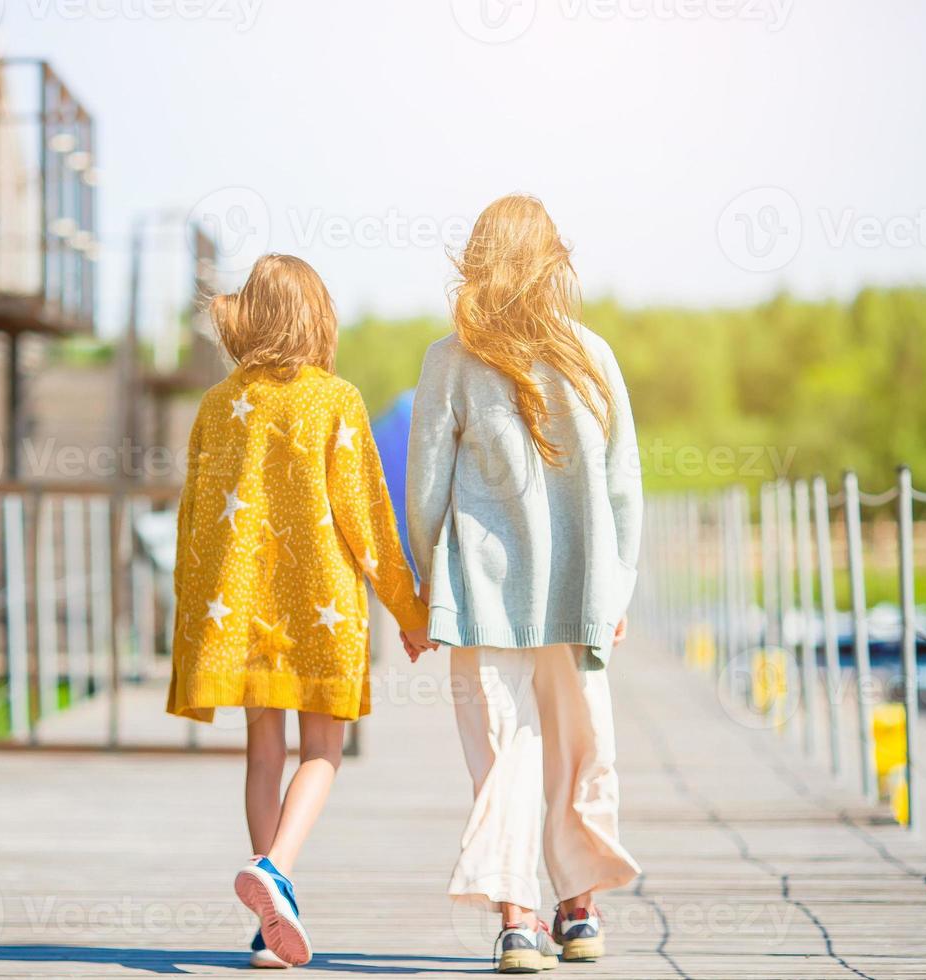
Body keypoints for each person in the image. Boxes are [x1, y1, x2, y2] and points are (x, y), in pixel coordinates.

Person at [166, 253, 430, 969]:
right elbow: (369, 520)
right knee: (323, 752)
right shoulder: (334, 401)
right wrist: (408, 610)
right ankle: (276, 869)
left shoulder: (219, 405)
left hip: (241, 611)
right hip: (321, 613)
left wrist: (192, 629)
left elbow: (195, 523)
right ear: (317, 318)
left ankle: (268, 923)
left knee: (262, 753)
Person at [405, 194, 643, 972]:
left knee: (504, 754)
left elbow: (426, 490)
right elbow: (622, 487)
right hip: (579, 592)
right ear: (553, 263)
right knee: (581, 746)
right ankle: (579, 909)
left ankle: (517, 919)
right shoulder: (592, 354)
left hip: (479, 595)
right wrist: (620, 584)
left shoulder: (450, 359)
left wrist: (423, 587)